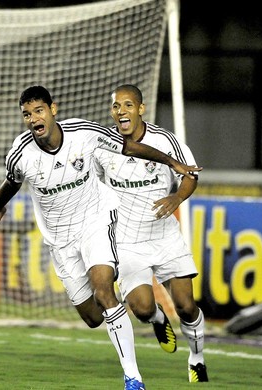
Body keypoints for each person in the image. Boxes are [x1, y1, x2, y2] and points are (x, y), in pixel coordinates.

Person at [0, 85, 202, 390]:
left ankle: (133, 377)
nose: (33, 118)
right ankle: (150, 320)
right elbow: (11, 182)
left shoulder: (84, 132)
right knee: (92, 317)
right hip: (60, 242)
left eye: (38, 110)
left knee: (105, 290)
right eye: (26, 114)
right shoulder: (20, 154)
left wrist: (173, 163)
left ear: (53, 110)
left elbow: (128, 147)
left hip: (95, 223)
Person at [94, 84, 208, 382]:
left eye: (128, 105)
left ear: (140, 109)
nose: (121, 111)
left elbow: (190, 175)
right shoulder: (103, 145)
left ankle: (196, 358)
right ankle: (158, 319)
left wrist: (177, 198)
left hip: (164, 235)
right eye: (117, 106)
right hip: (127, 241)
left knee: (185, 305)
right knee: (142, 309)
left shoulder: (165, 140)